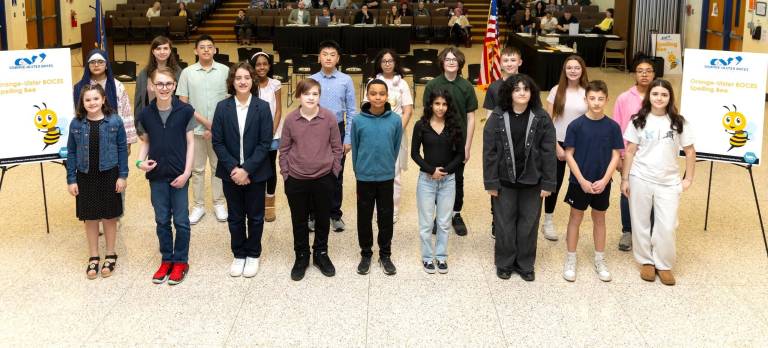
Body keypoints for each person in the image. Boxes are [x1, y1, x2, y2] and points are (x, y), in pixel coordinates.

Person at [621, 79, 695, 286]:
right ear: (649, 96)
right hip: (640, 177)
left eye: (664, 94)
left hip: (669, 181)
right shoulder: (638, 120)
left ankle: (664, 264)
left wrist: (688, 178)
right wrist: (625, 179)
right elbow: (630, 151)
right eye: (655, 94)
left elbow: (690, 151)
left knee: (668, 224)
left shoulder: (679, 122)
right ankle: (646, 261)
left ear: (670, 97)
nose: (659, 98)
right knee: (640, 221)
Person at [483, 74, 556, 281]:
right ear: (510, 93)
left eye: (526, 89)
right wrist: (491, 182)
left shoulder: (541, 117)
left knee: (529, 224)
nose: (522, 93)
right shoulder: (497, 116)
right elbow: (489, 151)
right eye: (517, 89)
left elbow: (548, 151)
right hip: (504, 182)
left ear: (531, 93)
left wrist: (548, 183)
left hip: (533, 182)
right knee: (504, 223)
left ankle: (525, 264)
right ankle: (504, 263)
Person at [212, 62, 273, 278]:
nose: (243, 81)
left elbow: (265, 143)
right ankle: (239, 254)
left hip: (256, 173)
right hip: (230, 173)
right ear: (232, 82)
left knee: (255, 217)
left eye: (247, 77)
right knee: (235, 217)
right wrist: (235, 170)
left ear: (253, 81)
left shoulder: (263, 107)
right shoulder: (222, 107)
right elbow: (217, 142)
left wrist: (246, 169)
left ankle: (253, 254)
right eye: (238, 78)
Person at [136, 67, 196, 286]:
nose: (163, 88)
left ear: (174, 86)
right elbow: (146, 142)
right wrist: (140, 162)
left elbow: (191, 144)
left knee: (181, 220)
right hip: (157, 176)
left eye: (168, 84)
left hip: (180, 175)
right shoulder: (145, 114)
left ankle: (180, 260)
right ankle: (166, 259)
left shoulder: (185, 111)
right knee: (162, 220)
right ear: (151, 86)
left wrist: (187, 172)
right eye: (159, 84)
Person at [280, 79, 342, 281]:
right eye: (306, 94)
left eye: (315, 94)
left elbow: (337, 148)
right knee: (299, 220)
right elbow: (284, 149)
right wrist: (286, 174)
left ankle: (320, 254)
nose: (311, 97)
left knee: (323, 219)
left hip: (324, 178)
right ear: (299, 95)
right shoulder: (290, 120)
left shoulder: (329, 118)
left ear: (319, 96)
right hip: (296, 179)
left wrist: (334, 172)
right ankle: (301, 255)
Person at [561, 80, 623, 282]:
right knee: (575, 219)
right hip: (579, 182)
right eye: (592, 98)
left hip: (602, 183)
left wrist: (605, 180)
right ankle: (571, 259)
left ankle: (600, 259)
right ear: (585, 99)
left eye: (600, 99)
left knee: (599, 219)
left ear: (607, 100)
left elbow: (616, 156)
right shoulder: (576, 125)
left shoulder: (613, 126)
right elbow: (569, 154)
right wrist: (582, 180)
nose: (596, 102)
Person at [67, 84, 128, 280]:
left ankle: (110, 253)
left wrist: (122, 176)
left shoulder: (115, 121)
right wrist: (71, 179)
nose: (92, 103)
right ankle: (93, 255)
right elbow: (72, 152)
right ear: (82, 103)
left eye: (95, 99)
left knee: (109, 216)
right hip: (85, 176)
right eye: (87, 100)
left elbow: (121, 149)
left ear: (103, 100)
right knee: (91, 217)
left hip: (109, 174)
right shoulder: (76, 124)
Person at [422, 47, 477, 236]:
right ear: (442, 63)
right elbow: (426, 116)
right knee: (437, 179)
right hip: (438, 142)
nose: (451, 62)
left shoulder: (466, 86)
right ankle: (439, 216)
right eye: (448, 59)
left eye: (455, 59)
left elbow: (471, 118)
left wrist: (467, 146)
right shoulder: (432, 85)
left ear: (460, 63)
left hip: (458, 143)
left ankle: (456, 214)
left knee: (457, 180)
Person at [176, 35, 230, 225]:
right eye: (202, 47)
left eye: (210, 47)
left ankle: (219, 203)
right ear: (195, 51)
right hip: (195, 130)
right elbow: (184, 103)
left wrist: (215, 126)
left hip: (220, 131)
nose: (206, 50)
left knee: (219, 168)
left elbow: (229, 101)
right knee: (197, 169)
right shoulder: (187, 73)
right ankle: (198, 206)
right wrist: (207, 123)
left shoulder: (225, 71)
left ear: (215, 50)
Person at [352, 79, 403, 276]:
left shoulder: (395, 120)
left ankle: (385, 254)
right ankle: (366, 254)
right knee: (364, 217)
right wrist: (359, 171)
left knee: (385, 216)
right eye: (373, 93)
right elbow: (355, 148)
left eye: (382, 93)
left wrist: (388, 166)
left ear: (387, 96)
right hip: (364, 177)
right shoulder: (358, 120)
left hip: (385, 176)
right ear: (367, 95)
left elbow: (396, 145)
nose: (378, 97)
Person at [412, 89, 464, 274]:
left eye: (444, 104)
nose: (440, 108)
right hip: (426, 180)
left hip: (448, 180)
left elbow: (460, 155)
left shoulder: (455, 126)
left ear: (448, 106)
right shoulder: (421, 125)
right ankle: (427, 257)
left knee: (443, 222)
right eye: (437, 104)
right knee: (426, 223)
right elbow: (414, 153)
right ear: (430, 105)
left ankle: (441, 257)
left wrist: (445, 171)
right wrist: (430, 170)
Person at [309, 40, 357, 232]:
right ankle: (313, 214)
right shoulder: (311, 79)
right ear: (319, 57)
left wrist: (348, 138)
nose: (328, 58)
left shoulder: (346, 80)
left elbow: (352, 111)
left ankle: (335, 214)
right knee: (313, 173)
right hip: (314, 128)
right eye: (325, 54)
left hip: (338, 129)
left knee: (336, 173)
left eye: (332, 54)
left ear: (338, 58)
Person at [542, 55, 588, 241]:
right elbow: (547, 121)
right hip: (559, 143)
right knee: (555, 183)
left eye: (577, 67)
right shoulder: (556, 90)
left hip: (581, 144)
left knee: (579, 182)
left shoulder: (588, 91)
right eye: (569, 68)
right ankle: (548, 221)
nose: (573, 71)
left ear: (582, 70)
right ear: (564, 70)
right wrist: (556, 147)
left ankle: (576, 221)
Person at [364, 49, 413, 223]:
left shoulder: (402, 84)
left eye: (390, 61)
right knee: (376, 171)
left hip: (396, 132)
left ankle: (393, 210)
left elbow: (408, 110)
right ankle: (378, 209)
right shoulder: (372, 82)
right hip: (375, 132)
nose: (387, 64)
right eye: (384, 61)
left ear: (395, 63)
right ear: (379, 63)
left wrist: (397, 129)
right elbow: (365, 107)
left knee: (395, 173)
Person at [613, 57, 656, 251]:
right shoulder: (624, 98)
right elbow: (617, 127)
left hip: (653, 155)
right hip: (629, 154)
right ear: (634, 74)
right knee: (627, 192)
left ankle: (652, 232)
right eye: (640, 71)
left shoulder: (659, 96)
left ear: (654, 74)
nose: (644, 74)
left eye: (648, 71)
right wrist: (620, 156)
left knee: (653, 193)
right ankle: (628, 231)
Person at [482, 46, 523, 237]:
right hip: (500, 144)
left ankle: (517, 218)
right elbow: (489, 118)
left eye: (512, 60)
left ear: (519, 62)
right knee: (498, 181)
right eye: (505, 60)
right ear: (500, 63)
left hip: (521, 143)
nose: (509, 64)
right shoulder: (494, 87)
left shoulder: (526, 85)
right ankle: (495, 219)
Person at [74, 49, 138, 156]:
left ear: (106, 64)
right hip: (86, 139)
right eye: (92, 62)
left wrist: (127, 142)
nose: (96, 65)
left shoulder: (117, 86)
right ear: (88, 66)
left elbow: (126, 114)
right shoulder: (79, 88)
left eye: (100, 62)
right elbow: (75, 114)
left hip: (112, 139)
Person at [250, 52, 282, 223]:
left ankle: (269, 203)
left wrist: (270, 133)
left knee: (269, 167)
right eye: (258, 64)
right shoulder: (249, 84)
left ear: (269, 66)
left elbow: (278, 110)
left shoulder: (275, 84)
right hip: (252, 134)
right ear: (253, 67)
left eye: (265, 64)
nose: (262, 67)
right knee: (254, 166)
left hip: (271, 133)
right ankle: (256, 201)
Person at [135, 36, 182, 118]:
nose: (162, 52)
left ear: (170, 50)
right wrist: (138, 124)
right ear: (153, 51)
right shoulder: (144, 74)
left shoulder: (179, 72)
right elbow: (138, 102)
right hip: (150, 119)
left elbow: (184, 100)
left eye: (165, 48)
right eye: (158, 49)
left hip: (174, 118)